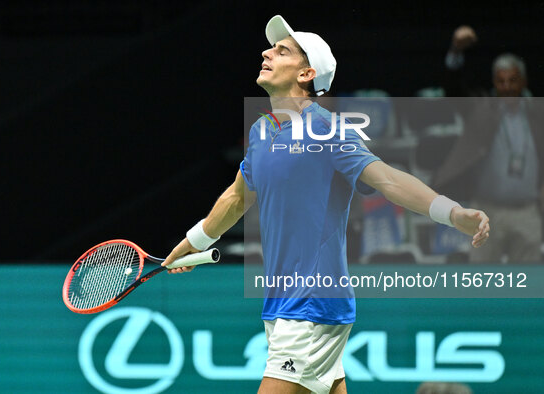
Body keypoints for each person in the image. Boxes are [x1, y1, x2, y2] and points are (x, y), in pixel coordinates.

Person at [162, 16, 490, 394]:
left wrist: (451, 213)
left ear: (306, 73)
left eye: (282, 50)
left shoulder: (327, 130)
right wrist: (195, 240)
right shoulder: (262, 130)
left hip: (311, 304)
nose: (266, 52)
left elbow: (388, 179)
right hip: (283, 302)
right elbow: (237, 196)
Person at [433, 25, 544, 263]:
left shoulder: (537, 112)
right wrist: (455, 52)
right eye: (501, 81)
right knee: (483, 284)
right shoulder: (481, 110)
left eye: (512, 80)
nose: (507, 87)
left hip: (528, 211)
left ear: (523, 81)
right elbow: (452, 90)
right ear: (494, 82)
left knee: (529, 289)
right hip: (486, 211)